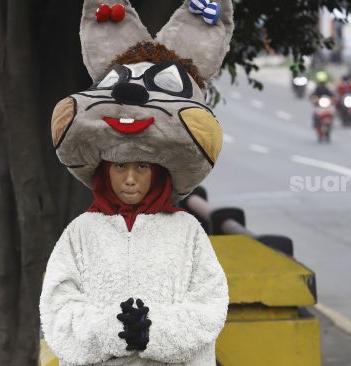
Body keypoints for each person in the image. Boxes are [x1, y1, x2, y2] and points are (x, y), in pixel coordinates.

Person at [41, 0, 233, 364]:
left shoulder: (187, 232)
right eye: (119, 166)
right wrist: (116, 331)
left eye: (142, 167)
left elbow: (209, 307)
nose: (129, 179)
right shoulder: (80, 233)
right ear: (104, 170)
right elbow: (58, 309)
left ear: (159, 171)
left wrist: (150, 332)